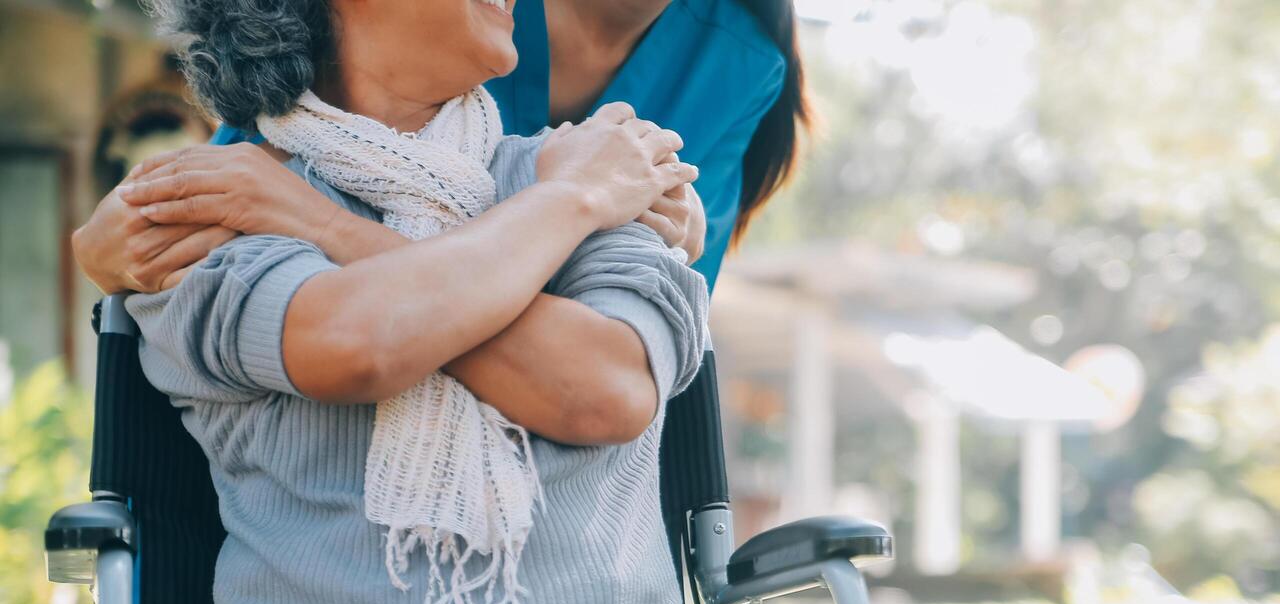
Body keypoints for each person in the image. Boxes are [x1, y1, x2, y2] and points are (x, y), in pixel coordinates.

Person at [115, 0, 813, 604]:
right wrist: (562, 216)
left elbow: (606, 387)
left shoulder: (606, 178)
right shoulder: (225, 204)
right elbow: (356, 343)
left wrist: (349, 232)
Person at [72, 0, 808, 294]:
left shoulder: (740, 61)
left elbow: (638, 331)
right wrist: (106, 245)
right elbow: (274, 150)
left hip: (570, 460)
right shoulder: (462, 16)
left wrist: (320, 225)